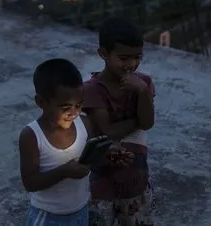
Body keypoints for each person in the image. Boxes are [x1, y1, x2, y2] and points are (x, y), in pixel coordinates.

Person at [82, 17, 156, 226]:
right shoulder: (92, 89)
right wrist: (137, 121)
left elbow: (148, 123)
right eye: (123, 58)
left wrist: (142, 92)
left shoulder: (143, 83)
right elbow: (110, 132)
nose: (131, 65)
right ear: (103, 54)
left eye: (137, 57)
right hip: (104, 179)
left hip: (136, 177)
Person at [19, 58, 93, 226]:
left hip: (81, 211)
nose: (73, 113)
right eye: (65, 107)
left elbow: (93, 156)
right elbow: (30, 183)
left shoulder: (84, 123)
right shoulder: (32, 136)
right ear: (41, 102)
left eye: (79, 105)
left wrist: (109, 155)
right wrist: (65, 171)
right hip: (48, 217)